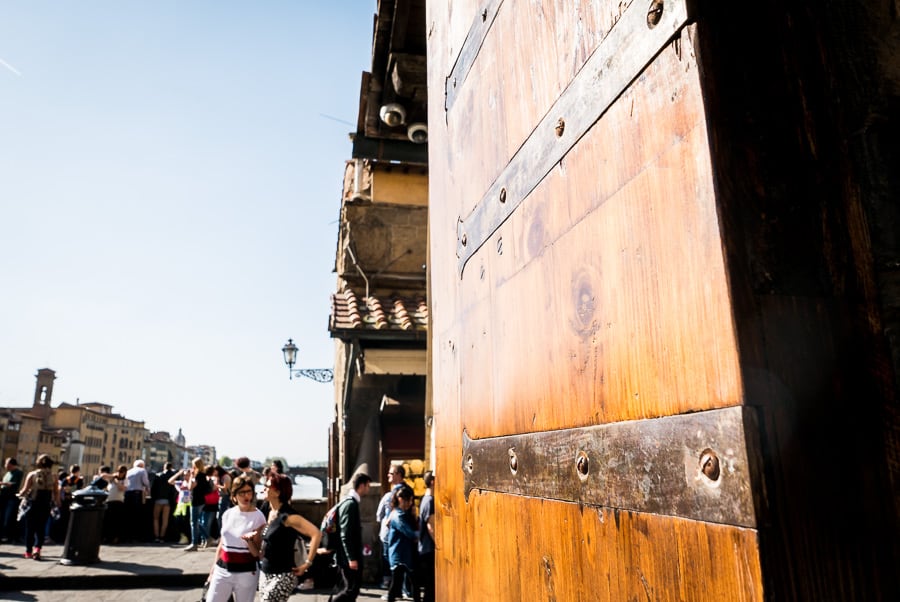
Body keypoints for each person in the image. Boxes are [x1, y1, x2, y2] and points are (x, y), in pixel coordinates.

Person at [258, 472, 321, 601]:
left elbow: (316, 533)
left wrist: (307, 563)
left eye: (267, 486)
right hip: (265, 572)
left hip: (283, 574)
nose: (264, 488)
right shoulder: (269, 512)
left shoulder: (288, 516)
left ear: (277, 492)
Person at [204, 475, 266, 602]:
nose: (246, 496)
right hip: (223, 569)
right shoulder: (228, 514)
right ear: (234, 495)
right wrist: (213, 570)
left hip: (246, 571)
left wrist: (249, 541)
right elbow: (222, 543)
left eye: (249, 492)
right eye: (242, 492)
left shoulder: (258, 517)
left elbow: (258, 554)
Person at [331, 472, 371, 602]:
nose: (369, 488)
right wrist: (351, 558)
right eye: (368, 485)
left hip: (346, 555)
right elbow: (345, 534)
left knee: (351, 589)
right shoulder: (350, 504)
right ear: (361, 486)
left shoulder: (348, 502)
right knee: (351, 590)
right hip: (348, 557)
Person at [17, 454, 60, 560]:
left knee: (30, 528)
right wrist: (57, 502)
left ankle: (28, 552)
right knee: (41, 528)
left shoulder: (32, 474)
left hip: (33, 504)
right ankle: (37, 549)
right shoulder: (54, 476)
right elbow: (56, 492)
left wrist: (19, 494)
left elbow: (25, 490)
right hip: (45, 505)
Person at [385, 485, 420, 602]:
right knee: (397, 584)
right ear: (401, 499)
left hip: (402, 553)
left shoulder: (400, 513)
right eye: (409, 500)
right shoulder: (398, 515)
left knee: (403, 584)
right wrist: (420, 535)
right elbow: (409, 532)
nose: (410, 503)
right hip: (400, 554)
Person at [376, 464, 406, 589]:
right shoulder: (391, 494)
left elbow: (379, 515)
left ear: (399, 475)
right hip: (392, 533)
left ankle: (391, 584)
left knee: (390, 559)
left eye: (391, 473)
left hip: (393, 533)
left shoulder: (395, 494)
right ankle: (396, 585)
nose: (388, 475)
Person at [182, 457, 213, 551]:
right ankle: (207, 537)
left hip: (196, 500)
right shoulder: (203, 475)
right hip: (202, 500)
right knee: (196, 521)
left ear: (195, 465)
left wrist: (191, 476)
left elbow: (190, 487)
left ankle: (195, 543)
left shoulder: (197, 476)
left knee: (193, 522)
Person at [417, 472, 435, 602]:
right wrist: (440, 545)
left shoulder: (425, 499)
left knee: (429, 586)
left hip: (424, 548)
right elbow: (431, 526)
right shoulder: (430, 501)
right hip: (428, 549)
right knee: (430, 587)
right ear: (433, 482)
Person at [150, 462, 177, 542]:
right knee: (165, 520)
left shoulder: (158, 475)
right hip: (167, 501)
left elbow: (153, 488)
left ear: (164, 467)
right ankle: (162, 537)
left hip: (158, 500)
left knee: (156, 519)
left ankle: (156, 537)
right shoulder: (173, 476)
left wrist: (153, 498)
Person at [125, 459, 150, 542]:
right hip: (137, 494)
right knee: (136, 515)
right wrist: (148, 488)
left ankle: (127, 536)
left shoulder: (128, 471)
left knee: (128, 515)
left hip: (127, 494)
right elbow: (145, 482)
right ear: (142, 465)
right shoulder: (142, 471)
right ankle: (136, 536)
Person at [1, 458, 24, 543]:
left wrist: (3, 484)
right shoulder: (7, 473)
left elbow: (13, 484)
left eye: (6, 463)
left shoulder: (18, 473)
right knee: (3, 517)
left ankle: (9, 536)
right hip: (4, 497)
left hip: (12, 498)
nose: (5, 465)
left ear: (11, 464)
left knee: (9, 517)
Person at [103, 465, 128, 544]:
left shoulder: (125, 480)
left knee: (116, 521)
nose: (120, 474)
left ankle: (115, 538)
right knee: (108, 521)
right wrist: (113, 476)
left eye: (122, 472)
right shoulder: (113, 479)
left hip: (119, 502)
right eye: (119, 472)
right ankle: (107, 537)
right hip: (110, 501)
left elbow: (122, 488)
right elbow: (103, 475)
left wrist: (117, 482)